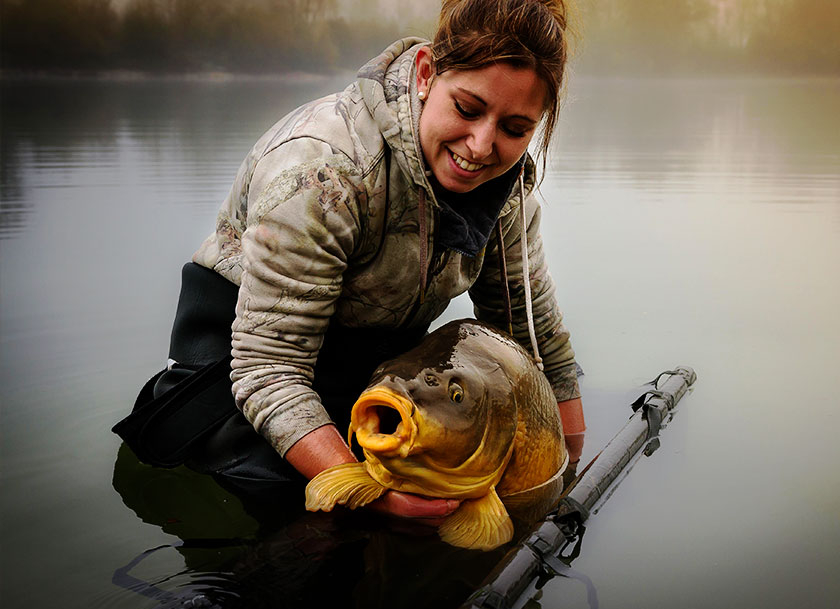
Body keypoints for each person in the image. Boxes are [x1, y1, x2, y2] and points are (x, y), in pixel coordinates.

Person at [114, 0, 586, 525]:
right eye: (468, 109)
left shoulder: (507, 188)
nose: (481, 146)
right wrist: (370, 494)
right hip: (236, 383)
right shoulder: (323, 169)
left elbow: (533, 336)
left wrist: (566, 463)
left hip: (376, 382)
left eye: (516, 129)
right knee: (316, 527)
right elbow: (268, 368)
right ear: (427, 73)